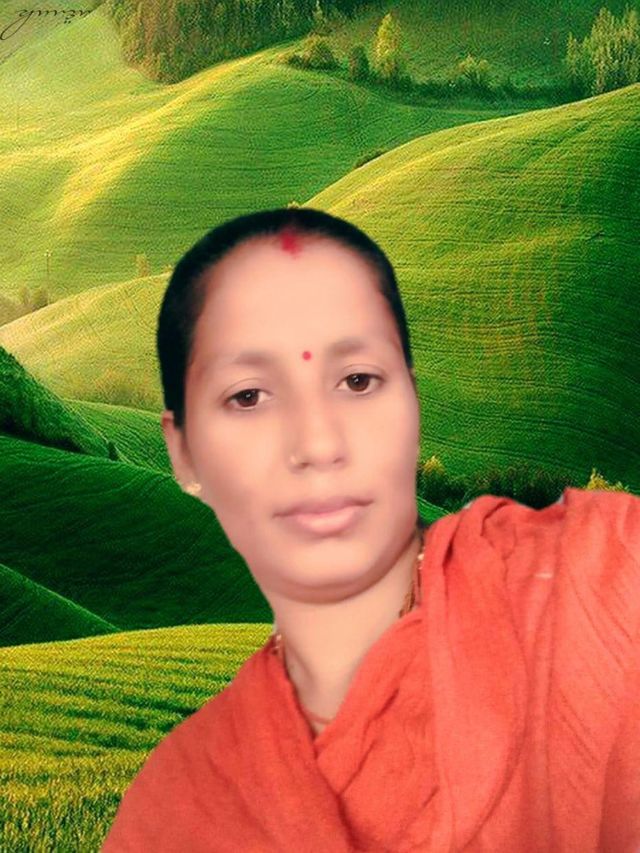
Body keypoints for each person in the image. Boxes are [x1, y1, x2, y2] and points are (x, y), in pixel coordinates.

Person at [101, 207, 640, 852]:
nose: (318, 442)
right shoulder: (175, 818)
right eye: (248, 396)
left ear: (412, 403)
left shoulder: (593, 597)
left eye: (357, 381)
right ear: (184, 450)